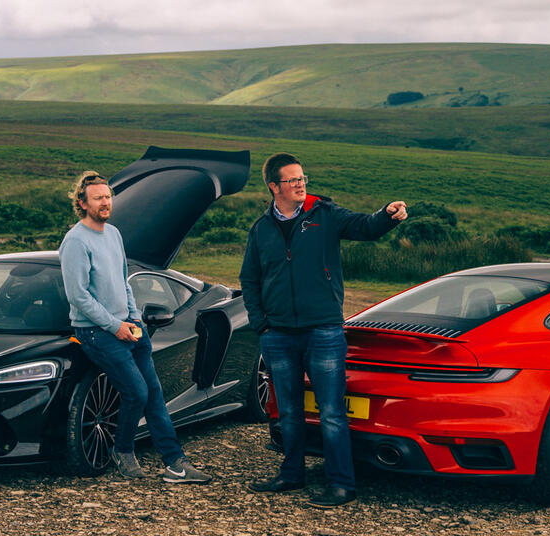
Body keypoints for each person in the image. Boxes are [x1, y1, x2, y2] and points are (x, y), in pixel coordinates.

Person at [240, 153, 407, 507]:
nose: (301, 184)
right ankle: (291, 475)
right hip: (278, 336)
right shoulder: (261, 229)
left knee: (331, 411)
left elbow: (365, 227)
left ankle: (341, 485)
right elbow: (249, 280)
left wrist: (387, 216)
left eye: (303, 178)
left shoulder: (326, 215)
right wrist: (262, 326)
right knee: (288, 410)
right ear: (274, 187)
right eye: (292, 180)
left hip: (324, 333)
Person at [59, 170, 211, 484]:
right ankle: (122, 450)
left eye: (108, 196)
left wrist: (134, 316)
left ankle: (176, 463)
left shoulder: (113, 233)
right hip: (97, 333)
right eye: (98, 198)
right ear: (82, 203)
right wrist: (116, 327)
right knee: (137, 393)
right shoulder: (75, 241)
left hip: (130, 326)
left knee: (154, 394)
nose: (106, 202)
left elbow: (122, 280)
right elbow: (79, 297)